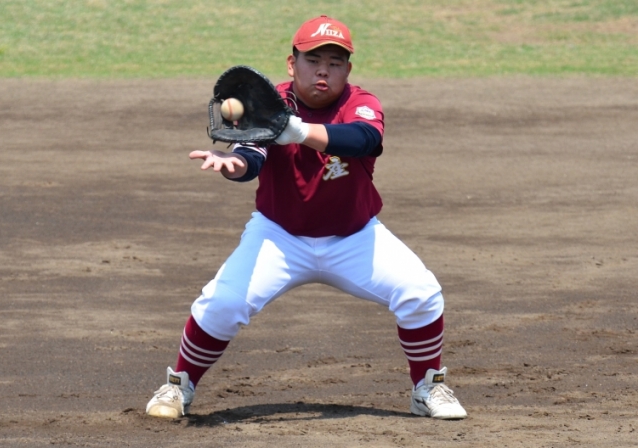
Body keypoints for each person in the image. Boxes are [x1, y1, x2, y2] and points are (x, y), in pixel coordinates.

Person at [146, 15, 467, 420]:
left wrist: (298, 131)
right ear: (291, 63)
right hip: (279, 237)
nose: (323, 71)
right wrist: (233, 165)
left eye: (335, 63)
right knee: (222, 302)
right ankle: (179, 385)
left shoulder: (361, 103)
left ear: (348, 70)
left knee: (421, 292)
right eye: (313, 60)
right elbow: (250, 157)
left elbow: (364, 139)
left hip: (355, 238)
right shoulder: (267, 103)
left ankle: (427, 388)